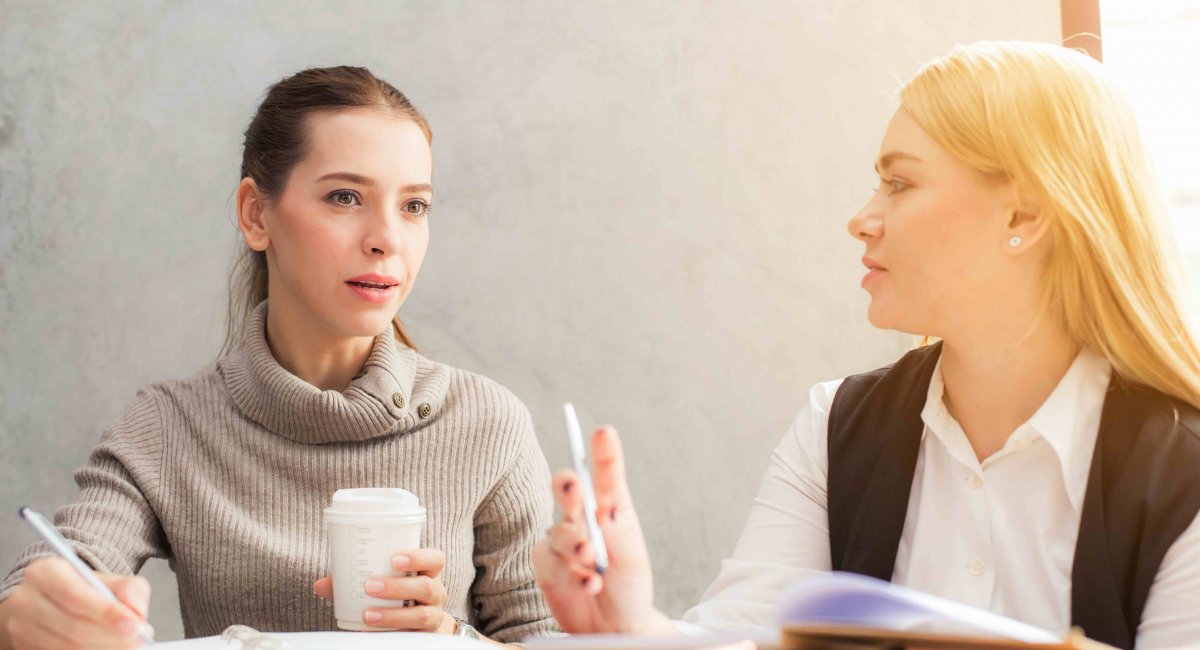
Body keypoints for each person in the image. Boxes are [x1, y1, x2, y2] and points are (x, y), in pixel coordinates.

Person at [533, 41, 1200, 650]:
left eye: (900, 183)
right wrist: (632, 627)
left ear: (1023, 216)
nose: (861, 219)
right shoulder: (836, 426)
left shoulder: (1182, 473)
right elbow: (743, 640)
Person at [0, 66, 556, 649]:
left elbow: (546, 638)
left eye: (414, 206)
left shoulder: (489, 424)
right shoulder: (169, 427)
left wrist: (451, 636)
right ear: (256, 215)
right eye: (346, 197)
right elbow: (59, 573)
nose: (387, 238)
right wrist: (31, 614)